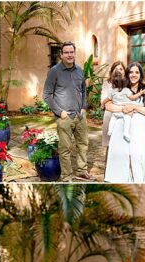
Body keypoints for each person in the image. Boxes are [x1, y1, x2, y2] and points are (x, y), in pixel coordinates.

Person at [42, 42, 89, 182]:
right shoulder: (54, 71)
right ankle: (67, 176)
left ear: (75, 53)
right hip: (64, 117)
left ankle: (81, 171)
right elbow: (46, 95)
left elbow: (84, 90)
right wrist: (60, 112)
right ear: (61, 55)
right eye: (66, 52)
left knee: (83, 144)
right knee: (65, 148)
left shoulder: (79, 70)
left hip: (80, 115)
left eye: (71, 52)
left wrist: (83, 107)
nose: (69, 55)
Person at [103, 62, 145, 182]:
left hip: (139, 129)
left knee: (137, 156)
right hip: (121, 127)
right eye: (131, 72)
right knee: (120, 157)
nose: (133, 75)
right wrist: (123, 108)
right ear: (127, 74)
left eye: (137, 72)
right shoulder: (121, 88)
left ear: (141, 74)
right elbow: (108, 106)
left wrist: (133, 107)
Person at [100, 61, 128, 153]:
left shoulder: (129, 84)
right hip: (110, 116)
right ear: (112, 71)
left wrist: (113, 102)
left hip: (126, 117)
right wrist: (123, 107)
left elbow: (132, 102)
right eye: (116, 69)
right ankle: (108, 167)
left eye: (121, 69)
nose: (119, 71)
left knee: (124, 145)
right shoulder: (107, 84)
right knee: (110, 145)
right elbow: (105, 104)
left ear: (124, 71)